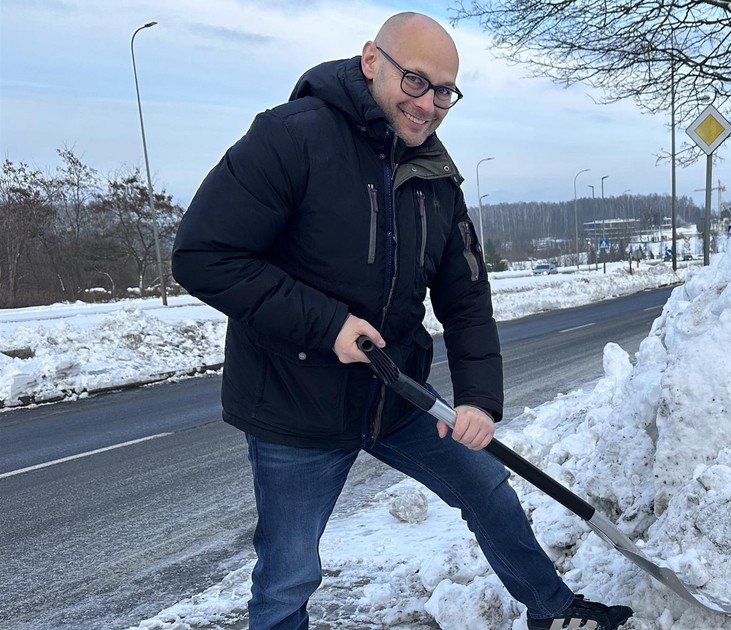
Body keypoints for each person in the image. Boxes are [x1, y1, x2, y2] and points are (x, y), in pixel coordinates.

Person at [173, 12, 632, 630]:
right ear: (371, 62)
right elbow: (203, 256)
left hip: (396, 394)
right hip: (294, 403)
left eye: (445, 91)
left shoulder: (434, 175)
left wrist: (477, 401)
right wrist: (326, 325)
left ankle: (552, 610)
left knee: (487, 487)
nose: (431, 104)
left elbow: (465, 295)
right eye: (416, 81)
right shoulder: (292, 137)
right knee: (289, 573)